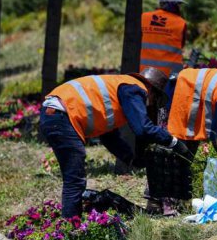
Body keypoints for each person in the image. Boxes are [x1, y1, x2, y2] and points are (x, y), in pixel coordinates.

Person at [39, 68, 189, 218]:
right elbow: (143, 128)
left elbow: (109, 137)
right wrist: (173, 142)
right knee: (74, 179)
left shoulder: (118, 91)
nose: (151, 103)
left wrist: (131, 159)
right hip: (61, 115)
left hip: (53, 114)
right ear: (151, 89)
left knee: (73, 178)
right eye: (155, 98)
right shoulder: (134, 88)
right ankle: (71, 228)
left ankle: (71, 222)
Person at [167, 68, 217, 163]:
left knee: (191, 132)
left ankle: (184, 168)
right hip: (185, 88)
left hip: (193, 85)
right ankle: (179, 168)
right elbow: (216, 137)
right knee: (183, 136)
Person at [140, 0, 187, 77]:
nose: (179, 8)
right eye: (179, 5)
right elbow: (182, 45)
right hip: (169, 75)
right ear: (173, 5)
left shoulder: (143, 17)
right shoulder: (180, 23)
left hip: (144, 72)